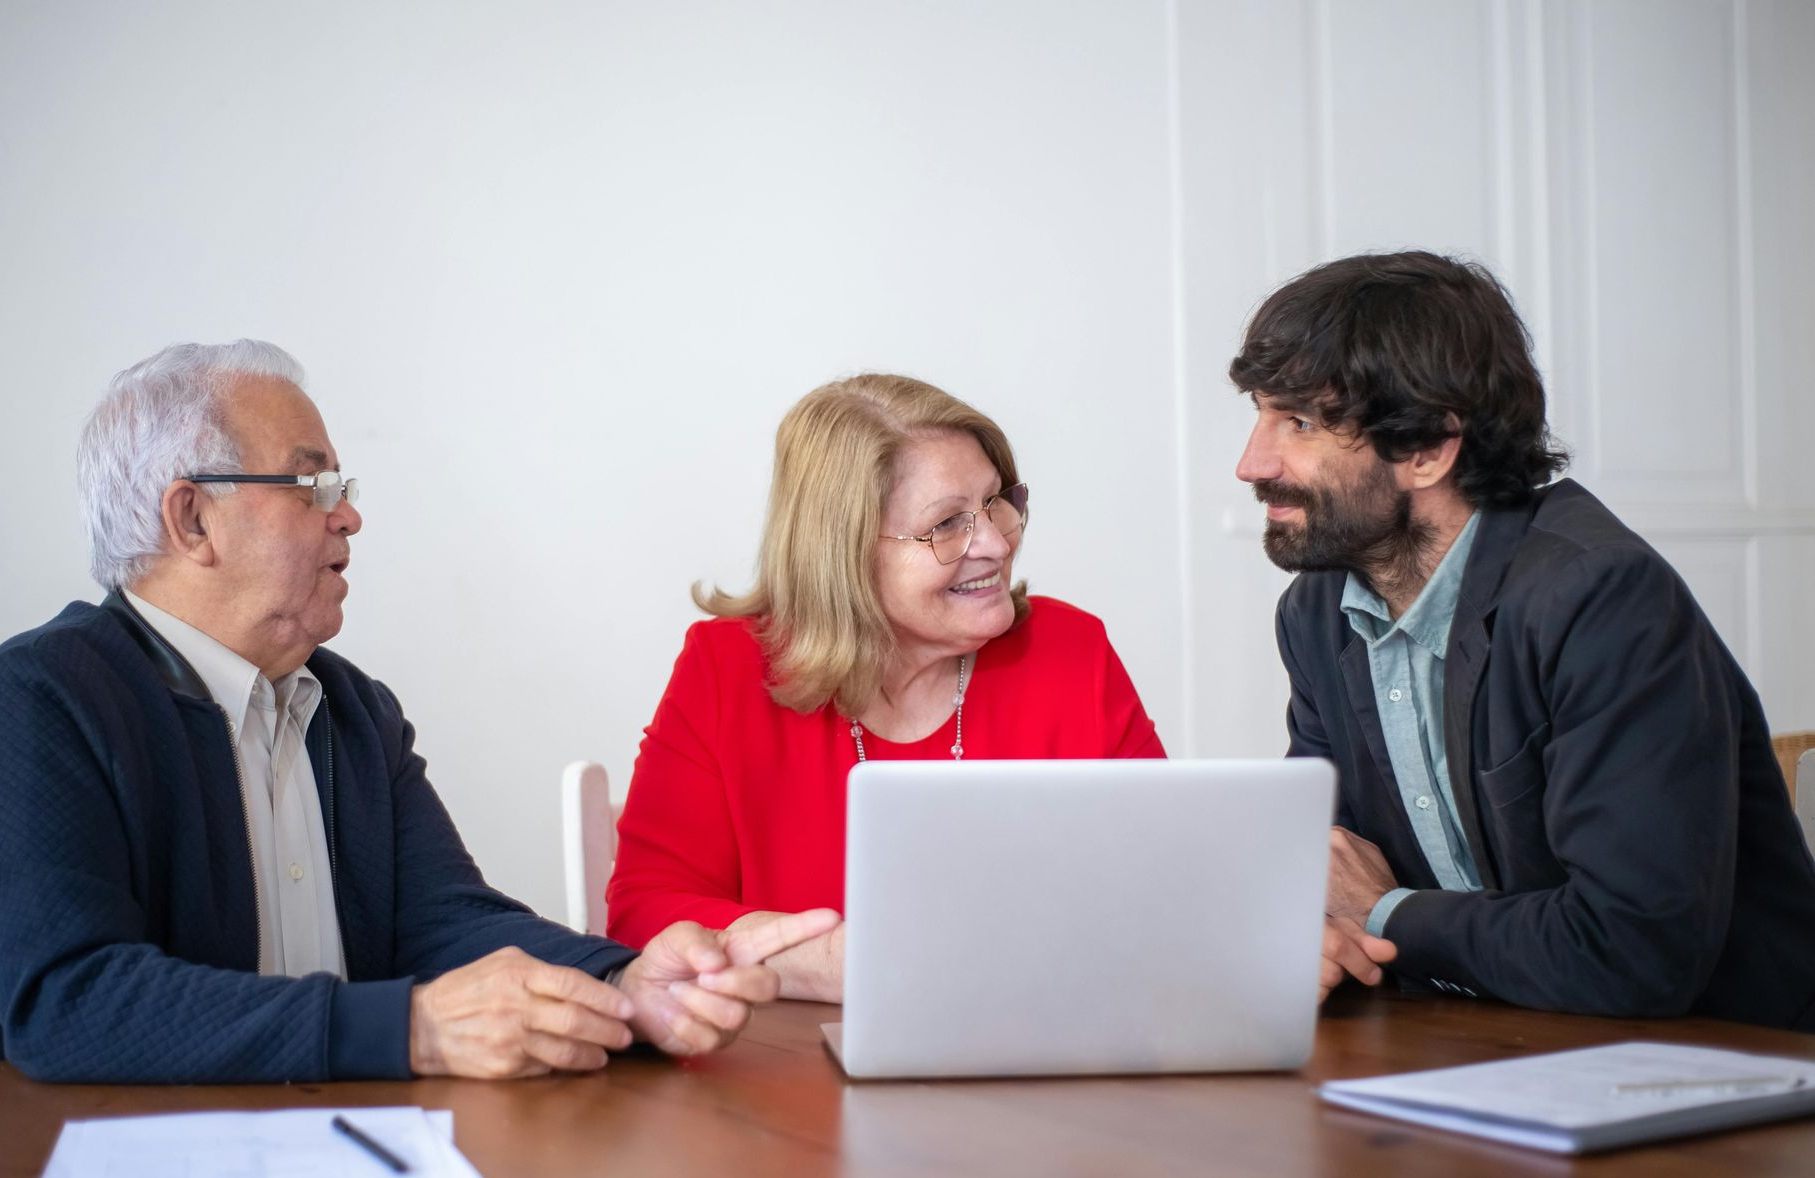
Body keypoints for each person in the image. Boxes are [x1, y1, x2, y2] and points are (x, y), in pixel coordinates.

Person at [0, 340, 836, 1083]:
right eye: (314, 486)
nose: (348, 517)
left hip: (300, 1165)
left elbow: (447, 923)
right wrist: (416, 1027)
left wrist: (626, 983)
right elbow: (74, 1002)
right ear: (191, 521)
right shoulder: (39, 697)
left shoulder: (350, 709)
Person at [1229, 250, 1815, 1026]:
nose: (1251, 462)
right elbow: (1322, 866)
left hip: (1719, 1078)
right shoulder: (1316, 614)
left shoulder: (1602, 598)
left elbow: (1631, 953)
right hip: (1483, 1054)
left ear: (1429, 449)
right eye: (1262, 414)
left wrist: (1385, 911)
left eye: (1299, 422)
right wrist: (1317, 920)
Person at [605, 374, 1164, 1002]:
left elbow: (1162, 885)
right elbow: (643, 913)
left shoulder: (1072, 651)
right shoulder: (726, 669)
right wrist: (824, 961)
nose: (995, 542)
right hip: (787, 1080)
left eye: (995, 502)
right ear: (844, 554)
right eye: (947, 523)